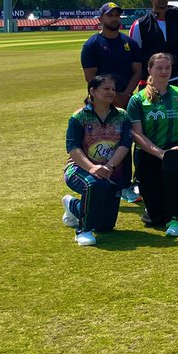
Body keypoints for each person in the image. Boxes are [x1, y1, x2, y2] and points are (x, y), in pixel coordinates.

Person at [129, 0, 178, 189]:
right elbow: (137, 55)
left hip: (176, 80)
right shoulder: (140, 25)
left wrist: (169, 70)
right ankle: (141, 177)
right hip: (148, 83)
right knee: (145, 129)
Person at [126, 53, 178, 237]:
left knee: (177, 187)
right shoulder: (138, 99)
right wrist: (159, 153)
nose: (164, 71)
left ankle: (177, 219)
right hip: (149, 153)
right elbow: (136, 133)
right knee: (155, 218)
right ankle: (157, 210)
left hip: (176, 151)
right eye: (159, 68)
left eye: (167, 68)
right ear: (149, 70)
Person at [61, 74, 133, 246]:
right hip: (80, 169)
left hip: (112, 171)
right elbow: (73, 148)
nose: (111, 93)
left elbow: (125, 144)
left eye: (113, 89)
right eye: (106, 89)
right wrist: (93, 168)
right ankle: (83, 230)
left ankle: (71, 204)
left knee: (105, 226)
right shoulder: (79, 117)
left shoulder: (122, 116)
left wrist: (109, 166)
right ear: (92, 91)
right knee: (94, 183)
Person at [129, 0, 178, 90]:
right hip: (150, 81)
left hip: (176, 78)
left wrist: (172, 63)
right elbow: (136, 55)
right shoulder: (140, 25)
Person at [80, 2, 142, 108]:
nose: (114, 18)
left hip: (126, 100)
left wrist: (126, 94)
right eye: (110, 15)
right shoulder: (92, 45)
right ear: (100, 19)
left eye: (117, 15)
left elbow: (137, 71)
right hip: (100, 102)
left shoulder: (130, 43)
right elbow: (90, 78)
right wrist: (114, 97)